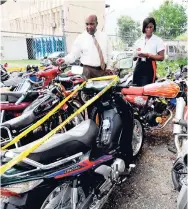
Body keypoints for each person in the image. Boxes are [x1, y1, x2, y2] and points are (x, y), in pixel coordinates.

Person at [56, 14, 112, 79]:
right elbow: (74, 55)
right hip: (87, 72)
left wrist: (109, 67)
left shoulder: (104, 36)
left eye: (92, 24)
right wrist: (64, 59)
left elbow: (109, 54)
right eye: (87, 24)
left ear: (96, 24)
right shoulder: (81, 38)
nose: (89, 27)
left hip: (103, 72)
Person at [132, 17, 165, 86]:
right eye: (147, 27)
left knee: (147, 89)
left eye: (151, 27)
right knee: (135, 87)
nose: (149, 29)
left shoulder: (158, 40)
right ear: (144, 28)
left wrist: (148, 55)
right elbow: (134, 57)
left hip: (149, 66)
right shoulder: (139, 41)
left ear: (154, 27)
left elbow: (161, 57)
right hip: (139, 66)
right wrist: (135, 56)